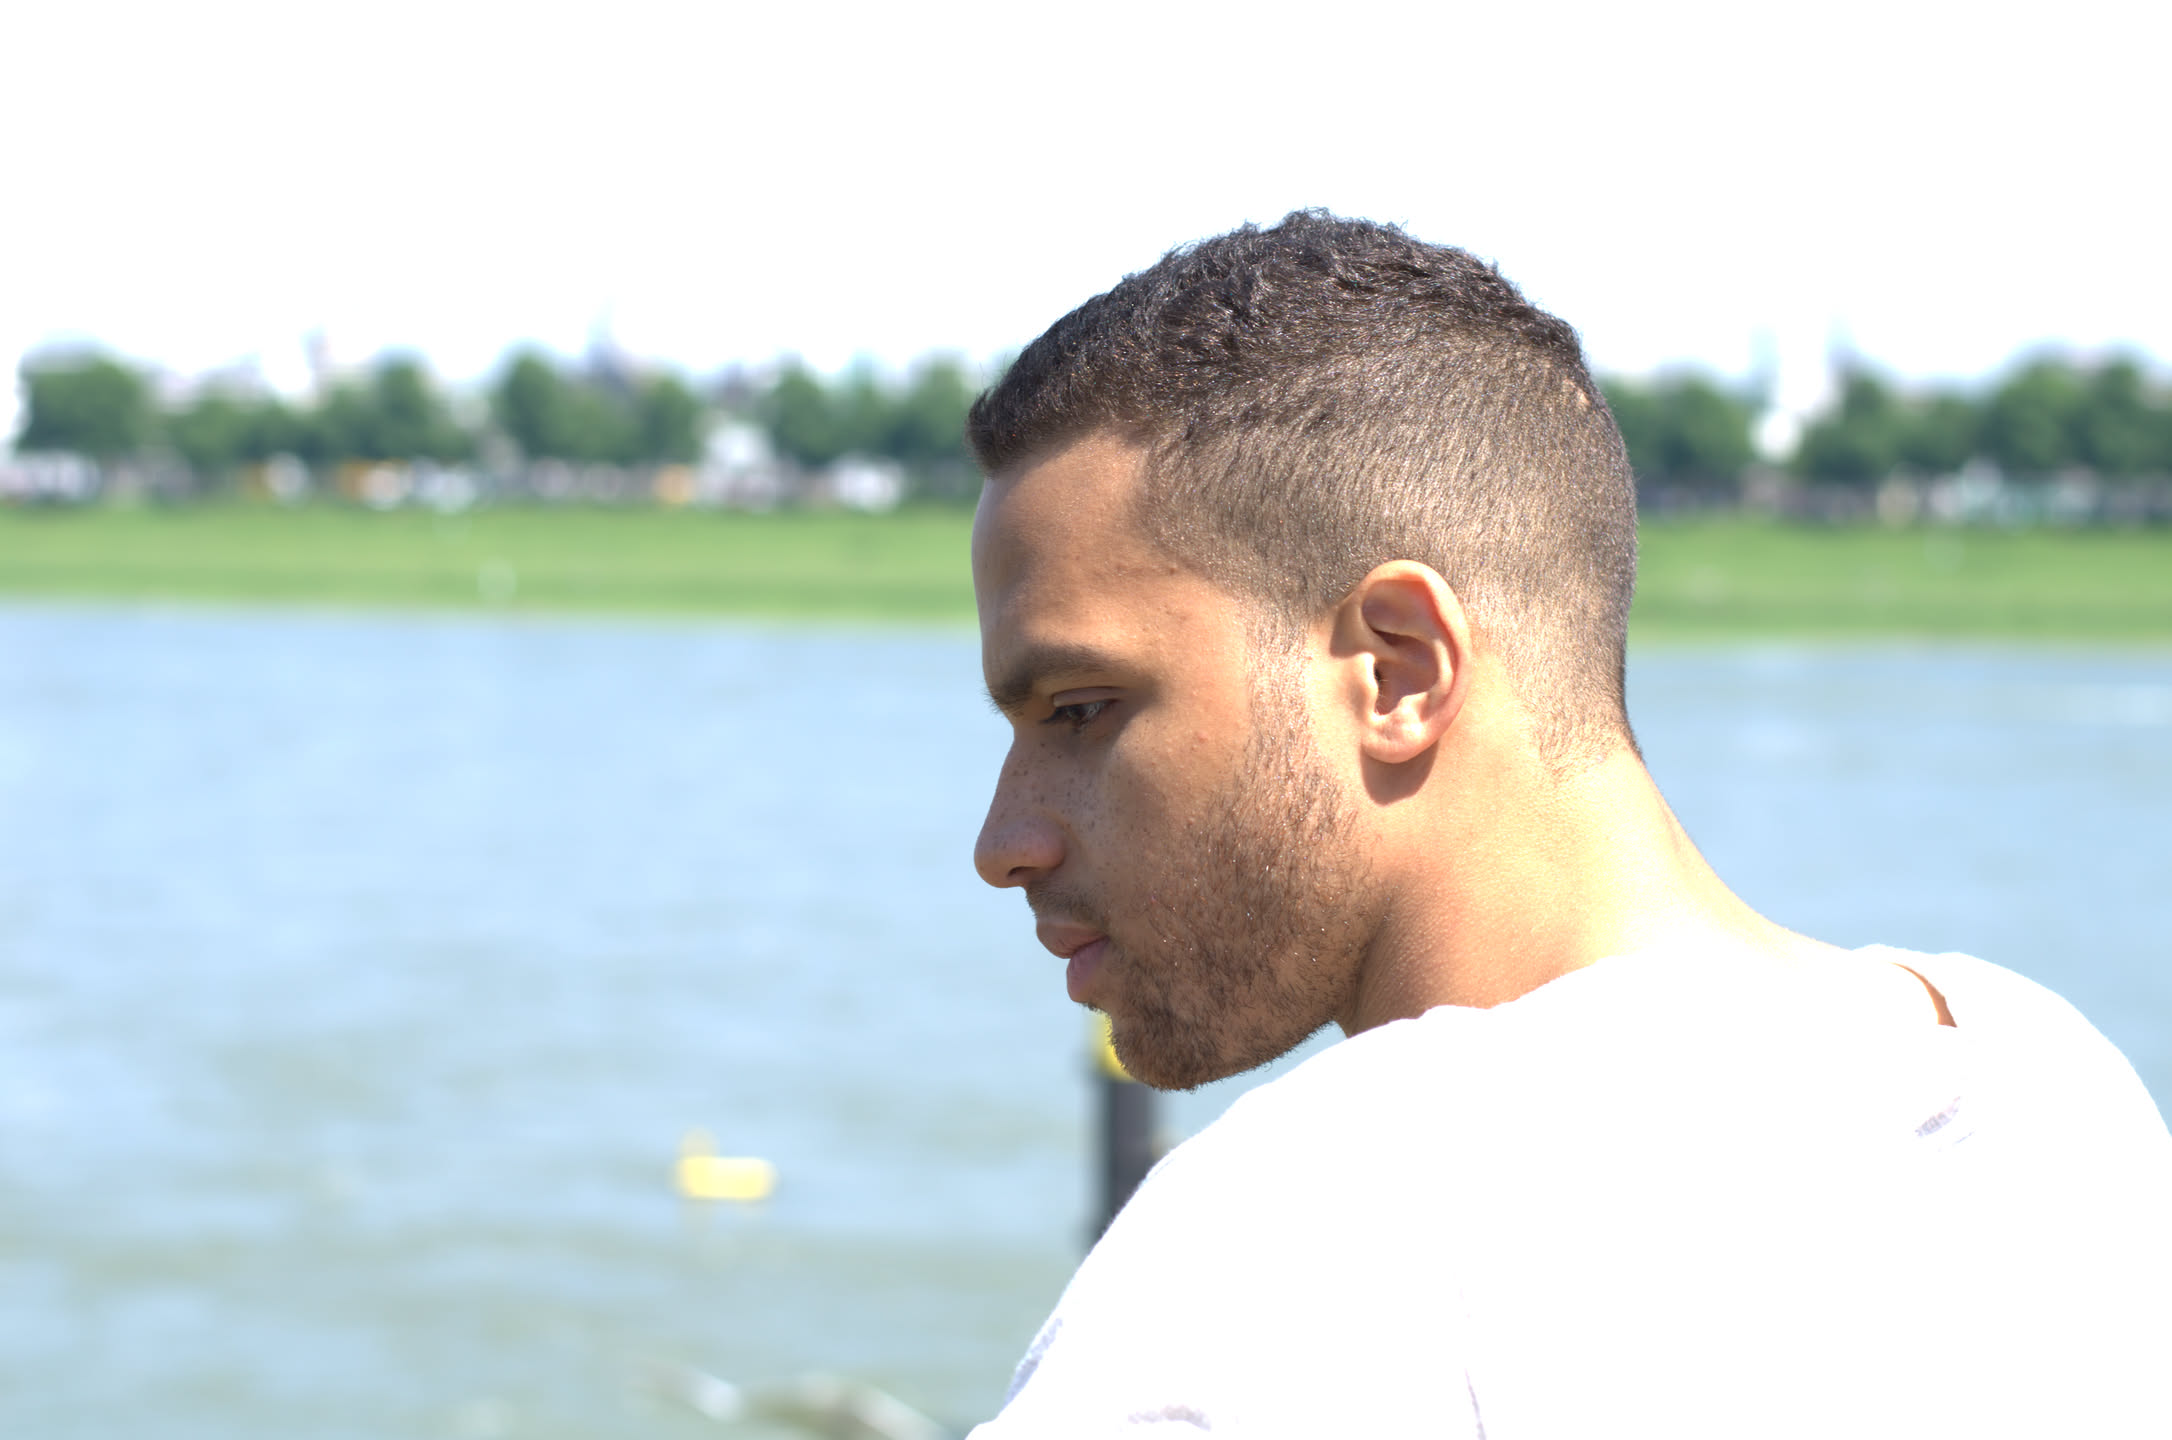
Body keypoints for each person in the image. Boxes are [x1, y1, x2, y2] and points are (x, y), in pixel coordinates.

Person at [960, 212, 2172, 1438]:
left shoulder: (1297, 1244)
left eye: (1081, 710)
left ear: (1397, 670)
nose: (1005, 843)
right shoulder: (2045, 1079)